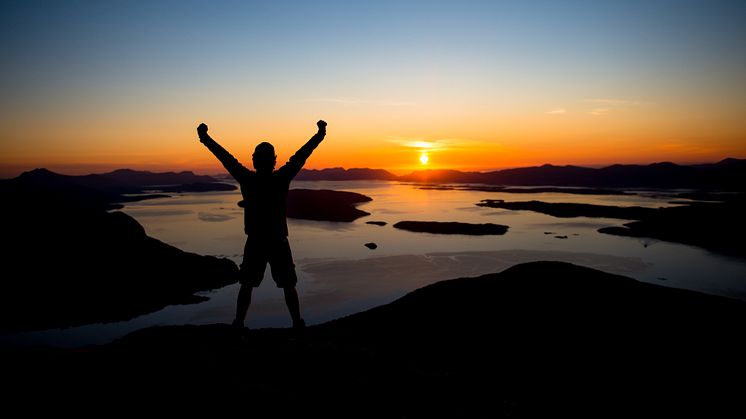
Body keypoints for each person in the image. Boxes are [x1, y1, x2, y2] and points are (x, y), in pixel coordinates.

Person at [197, 120, 327, 330]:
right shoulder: (280, 178)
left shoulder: (248, 179)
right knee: (285, 285)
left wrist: (205, 138)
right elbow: (302, 155)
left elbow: (225, 157)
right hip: (277, 242)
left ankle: (239, 324)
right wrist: (320, 134)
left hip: (257, 242)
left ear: (255, 161)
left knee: (248, 285)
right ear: (274, 161)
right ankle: (296, 324)